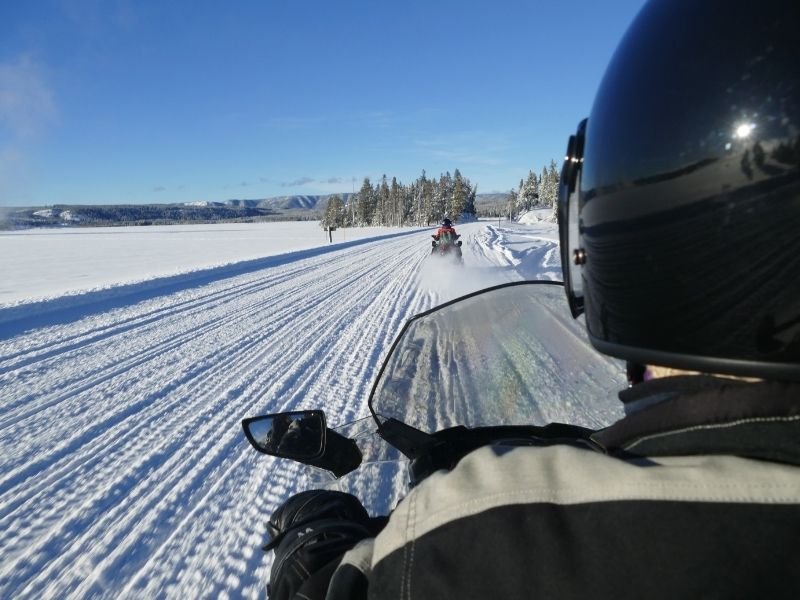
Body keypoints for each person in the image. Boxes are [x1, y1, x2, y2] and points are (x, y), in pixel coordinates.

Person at [262, 1, 800, 597]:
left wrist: (310, 550)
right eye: (444, 227)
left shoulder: (480, 534)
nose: (445, 230)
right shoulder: (442, 231)